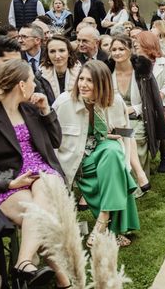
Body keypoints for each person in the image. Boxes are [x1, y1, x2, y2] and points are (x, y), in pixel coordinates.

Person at [0, 59, 76, 289]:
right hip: (14, 181)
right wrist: (9, 182)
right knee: (40, 217)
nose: (36, 85)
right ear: (22, 85)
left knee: (44, 184)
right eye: (32, 81)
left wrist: (46, 111)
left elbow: (56, 140)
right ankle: (64, 288)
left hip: (44, 172)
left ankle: (23, 262)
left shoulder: (32, 108)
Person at [53, 61, 140, 247]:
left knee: (113, 153)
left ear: (101, 83)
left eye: (89, 81)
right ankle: (112, 231)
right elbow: (51, 139)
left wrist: (125, 163)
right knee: (114, 164)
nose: (83, 84)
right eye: (81, 79)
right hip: (76, 158)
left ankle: (103, 218)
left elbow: (126, 133)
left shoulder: (115, 102)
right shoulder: (64, 102)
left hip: (103, 152)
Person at [109, 35, 165, 179]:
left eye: (121, 49)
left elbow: (150, 102)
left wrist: (132, 109)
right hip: (113, 119)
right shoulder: (107, 71)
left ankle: (138, 180)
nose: (117, 53)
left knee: (135, 138)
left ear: (130, 50)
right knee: (115, 143)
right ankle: (119, 180)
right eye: (114, 49)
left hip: (138, 117)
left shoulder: (142, 71)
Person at [135, 31, 165, 173]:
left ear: (147, 44)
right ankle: (145, 159)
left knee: (162, 130)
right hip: (142, 103)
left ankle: (164, 156)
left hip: (160, 102)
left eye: (138, 42)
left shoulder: (163, 62)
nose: (135, 45)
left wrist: (158, 98)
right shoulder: (135, 62)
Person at [38, 35, 81, 104]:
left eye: (61, 50)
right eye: (52, 51)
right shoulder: (40, 76)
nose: (57, 56)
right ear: (47, 54)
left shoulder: (81, 74)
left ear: (69, 53)